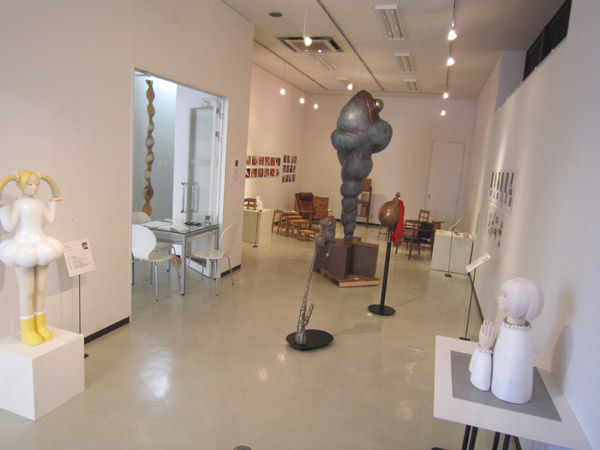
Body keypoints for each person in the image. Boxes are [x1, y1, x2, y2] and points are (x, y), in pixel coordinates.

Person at [0, 170, 64, 345]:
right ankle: (27, 331)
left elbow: (50, 219)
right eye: (29, 184)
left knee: (41, 290)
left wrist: (52, 202)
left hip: (41, 245)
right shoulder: (19, 204)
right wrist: (3, 208)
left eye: (37, 184)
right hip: (23, 248)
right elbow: (8, 226)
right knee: (27, 291)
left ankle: (40, 326)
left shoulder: (39, 203)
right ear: (20, 185)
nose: (34, 187)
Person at [469, 278, 544, 404]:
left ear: (519, 302)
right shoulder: (516, 333)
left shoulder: (517, 341)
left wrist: (484, 349)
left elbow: (481, 381)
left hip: (505, 393)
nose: (500, 298)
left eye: (505, 296)